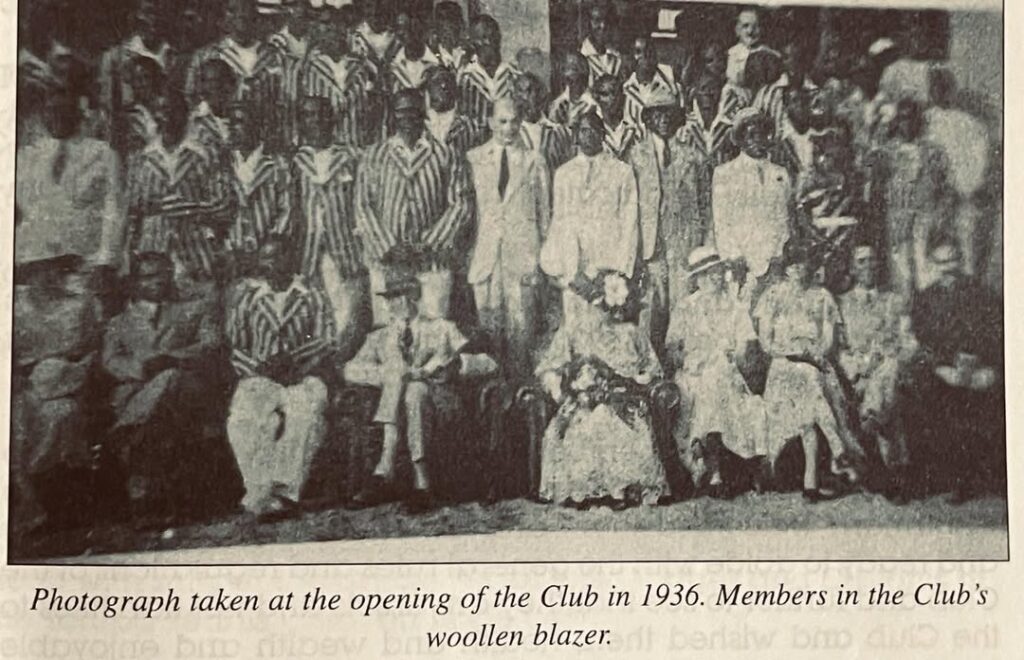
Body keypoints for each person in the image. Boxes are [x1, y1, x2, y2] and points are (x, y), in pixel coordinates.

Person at [344, 258, 495, 513]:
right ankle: (421, 482)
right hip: (407, 398)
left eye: (402, 296)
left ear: (415, 296)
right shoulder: (379, 337)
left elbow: (489, 363)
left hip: (439, 399)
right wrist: (391, 374)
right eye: (391, 298)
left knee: (416, 390)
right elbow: (350, 369)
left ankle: (386, 463)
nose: (396, 303)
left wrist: (457, 366)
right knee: (410, 388)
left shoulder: (442, 328)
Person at [101, 252, 228, 524]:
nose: (157, 281)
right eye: (148, 276)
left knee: (171, 377)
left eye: (162, 274)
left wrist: (173, 358)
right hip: (138, 392)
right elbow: (110, 360)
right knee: (159, 396)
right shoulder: (118, 323)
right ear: (134, 282)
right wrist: (141, 368)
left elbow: (212, 343)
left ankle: (127, 434)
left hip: (186, 390)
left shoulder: (194, 308)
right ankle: (150, 494)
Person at [534, 272, 668, 509]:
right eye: (591, 305)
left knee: (615, 422)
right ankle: (583, 490)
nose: (596, 311)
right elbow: (549, 367)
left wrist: (637, 382)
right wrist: (560, 390)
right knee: (585, 423)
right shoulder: (572, 332)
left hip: (622, 400)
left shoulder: (631, 332)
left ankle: (621, 489)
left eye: (601, 306)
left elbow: (652, 368)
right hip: (583, 400)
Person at [225, 238, 337, 521]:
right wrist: (259, 366)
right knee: (243, 418)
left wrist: (294, 360)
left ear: (291, 258)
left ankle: (285, 491)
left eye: (277, 257)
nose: (271, 264)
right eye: (265, 258)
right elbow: (236, 346)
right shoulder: (248, 297)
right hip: (260, 375)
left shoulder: (311, 292)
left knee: (307, 413)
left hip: (303, 374)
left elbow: (327, 337)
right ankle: (260, 489)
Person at [754, 240, 864, 501]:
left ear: (809, 267)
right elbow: (765, 342)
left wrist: (813, 354)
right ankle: (836, 451)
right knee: (809, 380)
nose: (798, 271)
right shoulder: (772, 296)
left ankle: (811, 482)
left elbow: (828, 340)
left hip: (816, 363)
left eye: (803, 265)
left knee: (812, 378)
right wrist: (793, 352)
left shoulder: (822, 296)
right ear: (786, 268)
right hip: (784, 366)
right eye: (793, 265)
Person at [354, 89, 473, 326]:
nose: (407, 119)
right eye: (401, 112)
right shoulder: (375, 155)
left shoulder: (445, 154)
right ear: (392, 115)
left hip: (432, 263)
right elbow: (363, 205)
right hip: (388, 262)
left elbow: (460, 204)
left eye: (413, 112)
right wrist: (388, 246)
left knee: (433, 330)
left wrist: (428, 243)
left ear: (423, 114)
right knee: (391, 331)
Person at [11, 255, 104, 533]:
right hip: (21, 384)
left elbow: (92, 352)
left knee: (62, 413)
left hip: (67, 382)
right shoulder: (14, 304)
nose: (47, 277)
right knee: (17, 416)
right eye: (38, 270)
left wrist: (65, 373)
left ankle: (57, 507)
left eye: (55, 270)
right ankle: (25, 502)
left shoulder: (80, 304)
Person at [666, 247, 766, 496]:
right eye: (709, 274)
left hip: (728, 373)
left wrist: (735, 356)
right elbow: (672, 348)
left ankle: (713, 468)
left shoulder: (735, 305)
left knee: (718, 374)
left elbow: (745, 345)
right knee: (711, 380)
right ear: (698, 279)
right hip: (693, 373)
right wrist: (690, 358)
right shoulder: (685, 307)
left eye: (718, 272)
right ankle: (713, 465)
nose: (716, 278)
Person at [910, 238, 1003, 503]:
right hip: (941, 371)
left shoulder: (981, 293)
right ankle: (943, 479)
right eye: (941, 262)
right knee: (928, 397)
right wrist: (942, 367)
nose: (947, 267)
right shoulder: (925, 299)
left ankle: (984, 479)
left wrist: (984, 366)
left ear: (960, 261)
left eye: (952, 260)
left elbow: (997, 332)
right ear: (932, 265)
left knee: (987, 400)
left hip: (979, 368)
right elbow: (922, 339)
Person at [467, 98, 551, 380]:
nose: (509, 127)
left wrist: (540, 261)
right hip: (486, 260)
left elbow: (545, 217)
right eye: (502, 121)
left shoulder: (534, 161)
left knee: (521, 335)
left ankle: (521, 400)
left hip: (523, 259)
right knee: (489, 336)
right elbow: (470, 215)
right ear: (491, 122)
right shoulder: (474, 159)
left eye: (514, 120)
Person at [126, 89, 233, 296]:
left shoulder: (206, 152)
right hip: (154, 254)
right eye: (160, 111)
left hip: (196, 254)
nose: (165, 116)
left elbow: (224, 203)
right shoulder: (143, 157)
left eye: (171, 110)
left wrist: (183, 207)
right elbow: (133, 208)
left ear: (185, 113)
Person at [540, 111, 639, 328]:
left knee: (607, 328)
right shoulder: (564, 174)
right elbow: (559, 222)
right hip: (575, 271)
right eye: (584, 130)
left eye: (596, 130)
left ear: (603, 134)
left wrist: (619, 271)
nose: (590, 136)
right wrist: (571, 273)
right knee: (576, 331)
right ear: (576, 135)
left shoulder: (622, 172)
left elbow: (629, 224)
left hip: (608, 269)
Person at [15, 87, 125, 271]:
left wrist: (105, 260)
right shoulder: (29, 156)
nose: (54, 117)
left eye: (62, 110)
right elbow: (21, 209)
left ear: (79, 114)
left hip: (83, 261)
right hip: (35, 259)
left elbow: (113, 210)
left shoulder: (103, 155)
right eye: (49, 111)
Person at [838, 245, 917, 500]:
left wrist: (894, 357)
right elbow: (839, 350)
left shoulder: (894, 300)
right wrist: (858, 371)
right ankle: (897, 473)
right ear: (852, 268)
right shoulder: (842, 304)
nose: (868, 266)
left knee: (889, 372)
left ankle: (872, 414)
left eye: (872, 260)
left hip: (889, 366)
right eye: (861, 261)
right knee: (885, 391)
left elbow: (909, 341)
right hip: (861, 374)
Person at [292, 95, 368, 356]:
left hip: (346, 250)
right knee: (319, 311)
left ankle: (344, 361)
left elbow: (363, 203)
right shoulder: (295, 162)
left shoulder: (352, 156)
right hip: (311, 254)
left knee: (349, 311)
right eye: (307, 116)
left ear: (332, 119)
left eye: (320, 115)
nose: (315, 122)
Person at [629, 89, 705, 350]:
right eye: (656, 114)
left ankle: (679, 374)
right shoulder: (635, 156)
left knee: (682, 310)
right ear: (648, 120)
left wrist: (701, 245)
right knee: (651, 311)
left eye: (669, 113)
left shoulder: (693, 157)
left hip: (684, 245)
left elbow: (704, 205)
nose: (663, 119)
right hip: (651, 248)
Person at [865, 99, 953, 306]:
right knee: (901, 279)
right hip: (897, 223)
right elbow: (875, 192)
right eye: (903, 118)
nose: (908, 124)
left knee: (927, 277)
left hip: (926, 223)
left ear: (919, 121)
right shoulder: (886, 153)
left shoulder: (934, 152)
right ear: (897, 121)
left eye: (912, 118)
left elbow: (946, 191)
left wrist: (940, 219)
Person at [710, 108, 791, 293]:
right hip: (741, 264)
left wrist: (778, 255)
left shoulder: (780, 174)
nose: (757, 140)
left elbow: (783, 219)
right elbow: (721, 223)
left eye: (761, 134)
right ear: (740, 139)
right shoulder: (725, 173)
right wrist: (735, 257)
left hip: (772, 263)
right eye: (750, 135)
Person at [924, 68, 990, 278]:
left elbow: (980, 163)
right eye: (935, 86)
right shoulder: (925, 120)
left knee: (965, 253)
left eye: (942, 87)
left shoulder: (971, 124)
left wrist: (963, 189)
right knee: (932, 255)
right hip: (933, 199)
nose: (938, 91)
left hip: (962, 199)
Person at [223, 101, 291, 263]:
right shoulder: (223, 162)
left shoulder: (276, 164)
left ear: (256, 126)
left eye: (240, 122)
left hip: (266, 253)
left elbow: (286, 208)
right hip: (232, 252)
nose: (233, 128)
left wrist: (276, 237)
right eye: (231, 123)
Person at [301, 10, 372, 148]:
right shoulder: (311, 68)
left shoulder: (359, 66)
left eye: (339, 25)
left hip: (355, 146)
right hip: (325, 151)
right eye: (327, 25)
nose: (334, 31)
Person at [680, 48, 749, 168]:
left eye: (713, 88)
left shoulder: (731, 126)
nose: (709, 93)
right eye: (703, 88)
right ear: (694, 92)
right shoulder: (686, 128)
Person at [458, 14, 521, 126]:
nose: (489, 42)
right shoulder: (465, 79)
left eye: (492, 36)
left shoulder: (514, 74)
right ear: (473, 43)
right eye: (482, 37)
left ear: (499, 37)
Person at [754, 41, 819, 138]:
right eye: (787, 57)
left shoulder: (816, 93)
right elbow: (754, 121)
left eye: (799, 58)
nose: (793, 62)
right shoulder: (768, 92)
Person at [513, 73, 575, 172]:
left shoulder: (559, 133)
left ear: (540, 96)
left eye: (528, 91)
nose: (523, 97)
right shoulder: (511, 132)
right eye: (519, 91)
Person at [424, 66, 488, 157]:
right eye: (437, 82)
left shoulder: (471, 127)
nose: (444, 86)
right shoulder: (422, 126)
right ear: (428, 89)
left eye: (448, 81)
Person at [622, 36, 679, 133]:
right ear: (630, 56)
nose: (645, 55)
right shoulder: (625, 89)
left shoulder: (669, 79)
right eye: (638, 51)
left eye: (649, 51)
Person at [187, 59, 237, 157]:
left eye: (211, 81)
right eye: (203, 81)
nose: (204, 88)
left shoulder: (245, 116)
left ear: (228, 85)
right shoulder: (196, 120)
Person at [390, 9, 440, 92]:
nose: (401, 32)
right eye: (398, 27)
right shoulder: (393, 47)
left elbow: (435, 64)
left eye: (405, 27)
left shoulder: (422, 47)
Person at [592, 74, 639, 161]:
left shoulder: (634, 127)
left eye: (615, 93)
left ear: (622, 96)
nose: (612, 98)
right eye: (605, 94)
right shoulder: (591, 127)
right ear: (597, 98)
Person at [726, 7, 774, 87]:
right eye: (745, 26)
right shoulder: (732, 53)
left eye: (755, 26)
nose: (750, 31)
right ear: (737, 30)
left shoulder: (768, 53)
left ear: (763, 29)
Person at [579, 1, 623, 86]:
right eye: (597, 20)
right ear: (587, 23)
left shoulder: (616, 58)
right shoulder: (580, 57)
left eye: (607, 21)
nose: (603, 26)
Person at [547, 52, 597, 127]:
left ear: (584, 72)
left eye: (573, 68)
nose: (567, 73)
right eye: (564, 68)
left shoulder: (594, 104)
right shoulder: (557, 105)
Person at [429, 1, 468, 70]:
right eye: (442, 26)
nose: (447, 35)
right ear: (436, 28)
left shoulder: (469, 55)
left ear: (460, 26)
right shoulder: (430, 56)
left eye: (451, 26)